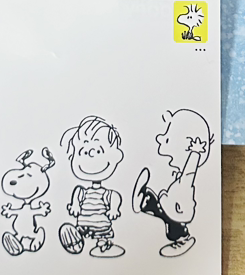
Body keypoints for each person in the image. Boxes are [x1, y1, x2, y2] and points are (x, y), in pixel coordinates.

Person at [132, 108, 212, 257]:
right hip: (173, 207)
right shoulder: (182, 177)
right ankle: (143, 199)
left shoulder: (186, 178)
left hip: (177, 210)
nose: (160, 139)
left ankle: (144, 200)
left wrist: (195, 153)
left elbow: (190, 171)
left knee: (163, 214)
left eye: (168, 139)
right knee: (161, 212)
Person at [58, 115, 125, 258]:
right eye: (83, 152)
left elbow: (115, 196)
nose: (91, 154)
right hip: (83, 225)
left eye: (98, 151)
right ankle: (75, 239)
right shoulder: (82, 191)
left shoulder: (105, 193)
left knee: (102, 236)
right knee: (77, 231)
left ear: (116, 155)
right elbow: (77, 193)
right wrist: (75, 205)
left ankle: (104, 244)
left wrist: (114, 209)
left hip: (102, 226)